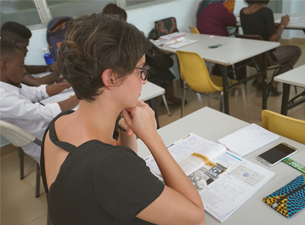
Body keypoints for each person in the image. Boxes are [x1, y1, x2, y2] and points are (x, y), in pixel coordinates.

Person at [40, 13, 205, 225]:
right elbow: (195, 216)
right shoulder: (107, 165)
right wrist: (152, 136)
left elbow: (118, 167)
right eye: (141, 71)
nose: (144, 81)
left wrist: (126, 133)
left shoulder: (58, 123)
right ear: (111, 78)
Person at [0, 40, 79, 162]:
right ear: (3, 65)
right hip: (47, 141)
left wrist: (68, 83)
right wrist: (82, 92)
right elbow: (47, 112)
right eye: (21, 65)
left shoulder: (9, 85)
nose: (23, 71)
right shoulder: (2, 97)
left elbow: (38, 92)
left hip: (48, 128)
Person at [102, 3, 184, 106]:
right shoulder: (113, 37)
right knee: (158, 71)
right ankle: (169, 98)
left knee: (160, 69)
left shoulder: (119, 33)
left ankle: (169, 98)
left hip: (135, 66)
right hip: (128, 69)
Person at [240, 0, 301, 96]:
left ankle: (259, 79)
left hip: (250, 57)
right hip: (266, 57)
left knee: (258, 47)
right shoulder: (266, 11)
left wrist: (271, 24)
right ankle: (273, 84)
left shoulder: (242, 12)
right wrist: (282, 24)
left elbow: (255, 25)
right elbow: (273, 40)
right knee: (296, 51)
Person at [1, 21, 64, 86]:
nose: (26, 50)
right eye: (24, 46)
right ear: (13, 43)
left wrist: (49, 67)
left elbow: (26, 68)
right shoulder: (5, 61)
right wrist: (59, 70)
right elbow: (37, 83)